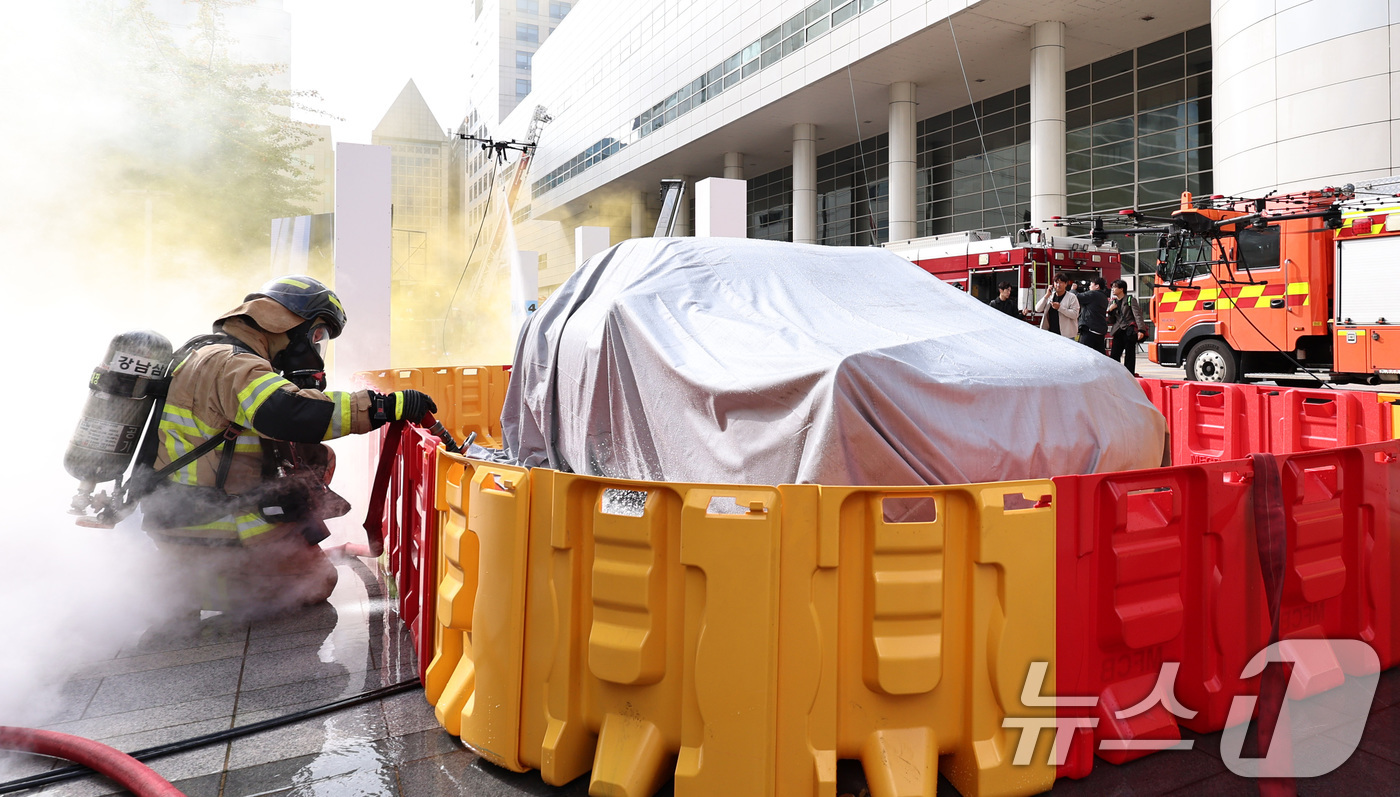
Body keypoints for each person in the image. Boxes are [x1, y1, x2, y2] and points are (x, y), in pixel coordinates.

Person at [140, 275, 438, 618]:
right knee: (317, 581)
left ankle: (211, 572)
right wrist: (381, 406)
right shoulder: (233, 363)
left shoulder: (210, 352)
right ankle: (179, 588)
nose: (315, 348)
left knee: (318, 456)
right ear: (287, 325)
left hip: (193, 513)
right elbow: (286, 413)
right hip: (209, 522)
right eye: (316, 336)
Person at [1107, 278, 1141, 374]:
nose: (1112, 290)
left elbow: (1137, 315)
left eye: (1114, 287)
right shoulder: (1113, 302)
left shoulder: (1130, 299)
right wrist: (1110, 311)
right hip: (1118, 331)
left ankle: (1129, 374)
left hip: (1129, 331)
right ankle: (1115, 374)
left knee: (1129, 355)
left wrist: (1141, 330)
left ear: (1121, 289)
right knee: (1114, 355)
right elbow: (1111, 320)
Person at [1035, 272, 1080, 339]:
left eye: (1061, 282)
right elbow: (1038, 309)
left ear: (1066, 284)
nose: (1058, 285)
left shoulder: (1072, 297)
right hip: (1050, 333)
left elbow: (1075, 314)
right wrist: (1046, 295)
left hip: (1067, 335)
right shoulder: (1050, 296)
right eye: (1056, 282)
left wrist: (1060, 308)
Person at [1075, 277, 1111, 354]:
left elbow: (1076, 297)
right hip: (1099, 330)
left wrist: (1073, 289)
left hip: (1090, 329)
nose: (1089, 286)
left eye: (1091, 284)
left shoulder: (1093, 294)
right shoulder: (1104, 296)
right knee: (1099, 355)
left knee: (1083, 353)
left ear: (1097, 286)